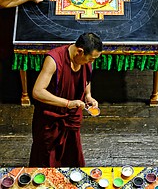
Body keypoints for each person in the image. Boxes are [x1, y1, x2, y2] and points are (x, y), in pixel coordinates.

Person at [29, 33, 103, 167]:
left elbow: (86, 78)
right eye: (91, 59)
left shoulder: (84, 61)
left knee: (71, 152)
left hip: (71, 116)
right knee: (47, 156)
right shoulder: (54, 60)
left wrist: (88, 95)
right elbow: (37, 91)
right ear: (80, 51)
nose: (91, 62)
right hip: (51, 118)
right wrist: (68, 103)